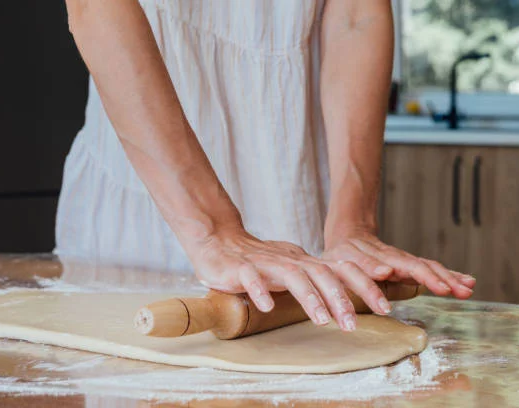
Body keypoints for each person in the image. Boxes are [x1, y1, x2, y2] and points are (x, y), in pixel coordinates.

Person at [57, 0, 475, 333]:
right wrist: (211, 230)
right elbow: (96, 6)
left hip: (294, 199)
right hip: (148, 191)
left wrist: (353, 225)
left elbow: (356, 14)